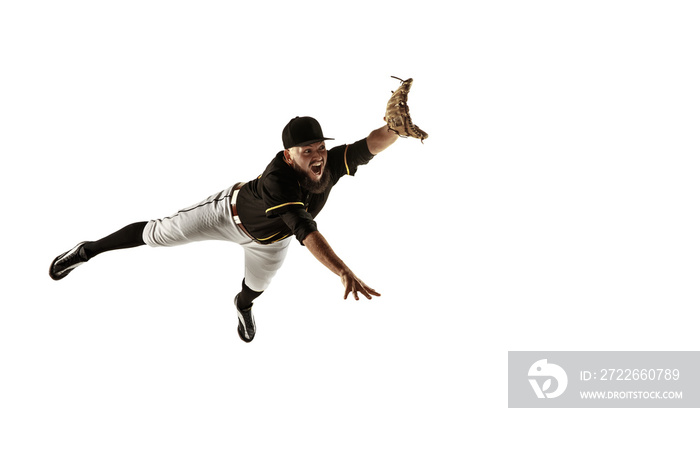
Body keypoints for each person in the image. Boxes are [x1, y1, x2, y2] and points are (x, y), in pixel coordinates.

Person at [49, 115, 400, 342]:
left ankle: (242, 307)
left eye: (321, 147)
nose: (318, 155)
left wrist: (395, 130)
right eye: (307, 150)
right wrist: (342, 270)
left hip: (270, 241)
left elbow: (370, 145)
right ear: (289, 155)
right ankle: (87, 250)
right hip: (225, 215)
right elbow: (305, 231)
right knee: (156, 234)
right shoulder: (279, 178)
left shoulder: (327, 165)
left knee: (258, 286)